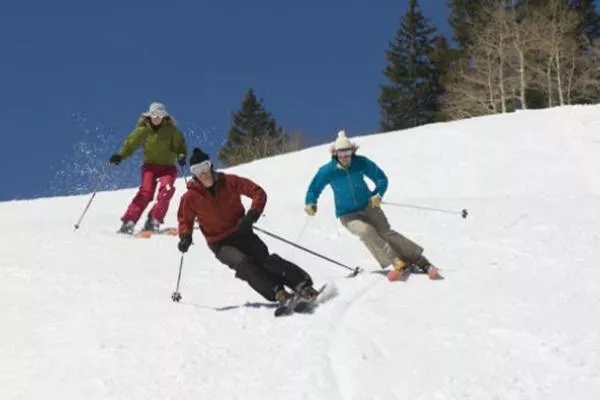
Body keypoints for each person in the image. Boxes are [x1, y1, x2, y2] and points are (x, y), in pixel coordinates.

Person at [176, 147, 320, 305]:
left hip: (241, 230)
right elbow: (185, 219)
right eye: (197, 170)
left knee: (265, 261)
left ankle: (302, 284)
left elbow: (258, 192)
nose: (202, 173)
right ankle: (277, 292)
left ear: (210, 165)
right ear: (193, 174)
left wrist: (251, 216)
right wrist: (185, 236)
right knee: (243, 264)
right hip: (219, 243)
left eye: (204, 166)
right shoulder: (190, 197)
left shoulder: (229, 181)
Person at [304, 130, 440, 281]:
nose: (345, 158)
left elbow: (381, 178)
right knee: (366, 231)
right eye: (341, 154)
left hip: (368, 205)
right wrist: (311, 202)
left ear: (352, 151)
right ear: (335, 153)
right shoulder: (327, 171)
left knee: (386, 232)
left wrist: (378, 194)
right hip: (347, 214)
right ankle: (396, 261)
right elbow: (314, 188)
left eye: (348, 153)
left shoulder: (361, 162)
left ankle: (421, 260)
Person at [109, 102, 187, 234]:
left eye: (160, 115)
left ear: (164, 116)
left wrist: (181, 155)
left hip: (167, 168)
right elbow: (130, 144)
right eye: (154, 115)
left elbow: (181, 146)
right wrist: (120, 155)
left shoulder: (172, 131)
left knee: (166, 191)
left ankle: (154, 220)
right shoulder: (143, 130)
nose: (157, 118)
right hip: (150, 167)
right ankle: (129, 221)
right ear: (149, 115)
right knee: (146, 192)